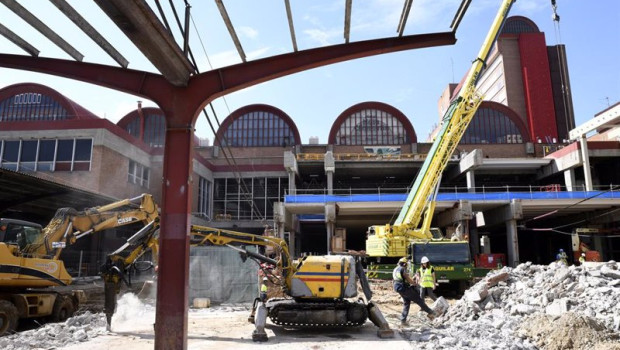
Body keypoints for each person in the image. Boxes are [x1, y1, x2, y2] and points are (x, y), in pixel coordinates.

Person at [392, 257, 435, 326]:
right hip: (404, 287)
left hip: (398, 287)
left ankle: (403, 321)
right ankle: (431, 312)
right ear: (404, 264)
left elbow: (398, 279)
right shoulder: (403, 269)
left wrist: (413, 279)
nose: (407, 265)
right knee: (418, 299)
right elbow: (407, 278)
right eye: (406, 264)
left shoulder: (395, 269)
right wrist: (414, 283)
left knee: (406, 303)